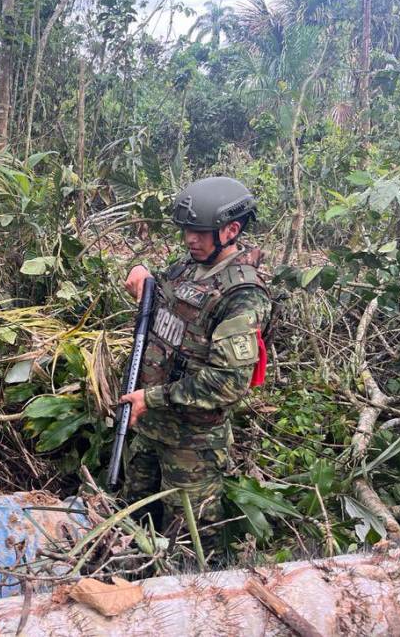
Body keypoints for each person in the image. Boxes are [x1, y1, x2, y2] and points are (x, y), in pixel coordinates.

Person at [118, 177, 272, 547]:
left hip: (192, 445)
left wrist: (151, 398)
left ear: (231, 230)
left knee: (189, 545)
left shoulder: (243, 295)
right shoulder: (188, 266)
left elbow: (227, 383)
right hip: (150, 427)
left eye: (200, 232)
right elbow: (164, 308)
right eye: (187, 230)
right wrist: (142, 273)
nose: (190, 239)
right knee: (133, 524)